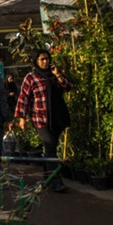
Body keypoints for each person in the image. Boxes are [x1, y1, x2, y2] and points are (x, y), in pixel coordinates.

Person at [14, 49, 73, 192]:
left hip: (57, 118)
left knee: (50, 149)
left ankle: (47, 179)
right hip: (40, 119)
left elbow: (68, 87)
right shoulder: (31, 77)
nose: (45, 62)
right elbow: (24, 97)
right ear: (36, 61)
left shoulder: (54, 76)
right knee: (50, 146)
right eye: (42, 59)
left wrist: (58, 74)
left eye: (47, 59)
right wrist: (22, 118)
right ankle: (56, 181)